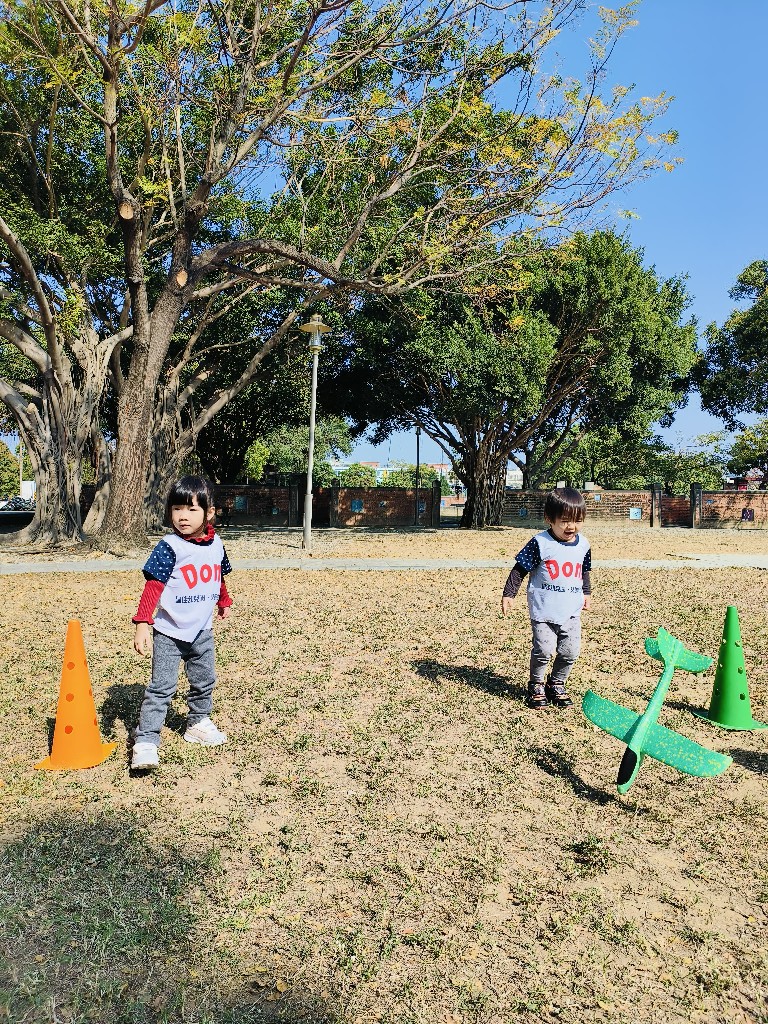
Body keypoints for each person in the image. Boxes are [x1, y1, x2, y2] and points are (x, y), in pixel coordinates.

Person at [131, 475, 233, 769]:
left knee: (204, 680)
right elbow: (153, 586)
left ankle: (197, 722)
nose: (183, 516)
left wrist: (223, 600)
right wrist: (143, 622)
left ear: (209, 513)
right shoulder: (169, 546)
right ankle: (146, 741)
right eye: (177, 509)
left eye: (191, 509)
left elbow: (218, 575)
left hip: (202, 631)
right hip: (169, 633)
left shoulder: (217, 545)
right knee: (161, 688)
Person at [501, 487, 592, 710]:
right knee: (543, 650)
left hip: (571, 611)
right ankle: (536, 684)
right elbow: (520, 569)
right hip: (543, 610)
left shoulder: (584, 544)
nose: (571, 526)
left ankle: (556, 683)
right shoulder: (540, 542)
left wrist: (586, 593)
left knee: (570, 652)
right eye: (565, 521)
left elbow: (584, 570)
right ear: (549, 519)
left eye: (578, 521)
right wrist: (509, 594)